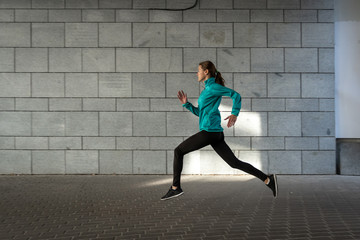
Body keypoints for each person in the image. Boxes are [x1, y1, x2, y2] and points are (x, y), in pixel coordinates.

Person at [161, 61, 278, 200]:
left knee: (178, 151)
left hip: (210, 132)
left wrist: (235, 113)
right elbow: (201, 113)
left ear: (206, 72)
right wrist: (187, 104)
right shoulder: (207, 90)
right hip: (214, 133)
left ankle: (175, 187)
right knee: (234, 163)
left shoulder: (214, 88)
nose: (196, 73)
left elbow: (236, 95)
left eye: (198, 70)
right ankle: (268, 180)